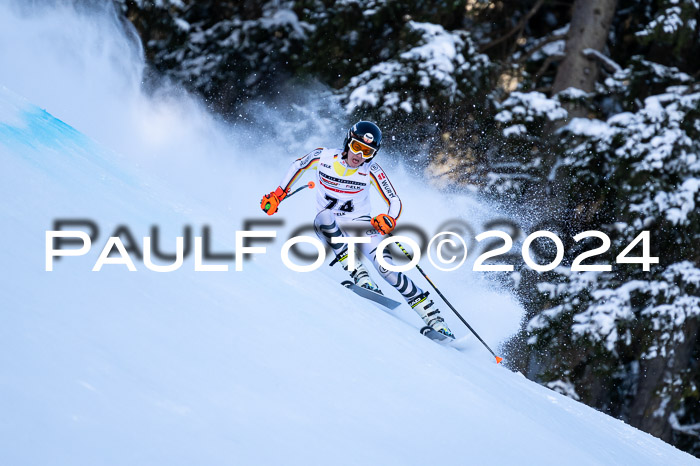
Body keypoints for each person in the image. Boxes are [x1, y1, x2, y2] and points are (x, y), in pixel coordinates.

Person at [261, 121, 454, 339]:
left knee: (387, 269)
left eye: (367, 152)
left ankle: (434, 318)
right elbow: (298, 166)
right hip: (330, 225)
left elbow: (394, 200)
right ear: (348, 142)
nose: (359, 155)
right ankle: (360, 275)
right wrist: (278, 194)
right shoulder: (323, 157)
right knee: (324, 217)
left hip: (362, 226)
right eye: (356, 147)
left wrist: (389, 218)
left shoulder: (371, 170)